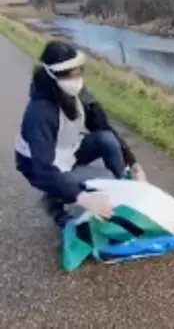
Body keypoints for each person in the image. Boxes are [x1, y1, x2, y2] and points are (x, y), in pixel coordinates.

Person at [15, 40, 147, 227]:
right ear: (53, 75)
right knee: (74, 188)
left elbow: (104, 127)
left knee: (106, 140)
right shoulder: (40, 113)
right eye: (71, 75)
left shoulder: (81, 94)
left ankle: (125, 188)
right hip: (40, 166)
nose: (77, 80)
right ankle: (54, 203)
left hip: (69, 150)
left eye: (79, 72)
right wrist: (82, 198)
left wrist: (133, 163)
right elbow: (42, 168)